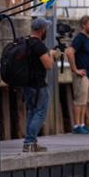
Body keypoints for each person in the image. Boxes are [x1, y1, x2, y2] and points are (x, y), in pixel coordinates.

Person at [21, 18, 59, 152]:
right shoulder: (38, 45)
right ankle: (30, 141)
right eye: (46, 29)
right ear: (42, 30)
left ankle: (30, 143)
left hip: (26, 85)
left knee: (32, 112)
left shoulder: (25, 42)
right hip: (38, 85)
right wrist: (53, 56)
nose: (46, 31)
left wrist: (47, 53)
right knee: (40, 113)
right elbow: (48, 65)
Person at [65, 15, 89, 134]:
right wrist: (75, 69)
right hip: (81, 74)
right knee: (79, 100)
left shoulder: (87, 38)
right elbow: (69, 52)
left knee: (85, 101)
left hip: (88, 74)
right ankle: (76, 125)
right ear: (83, 25)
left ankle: (82, 124)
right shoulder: (80, 38)